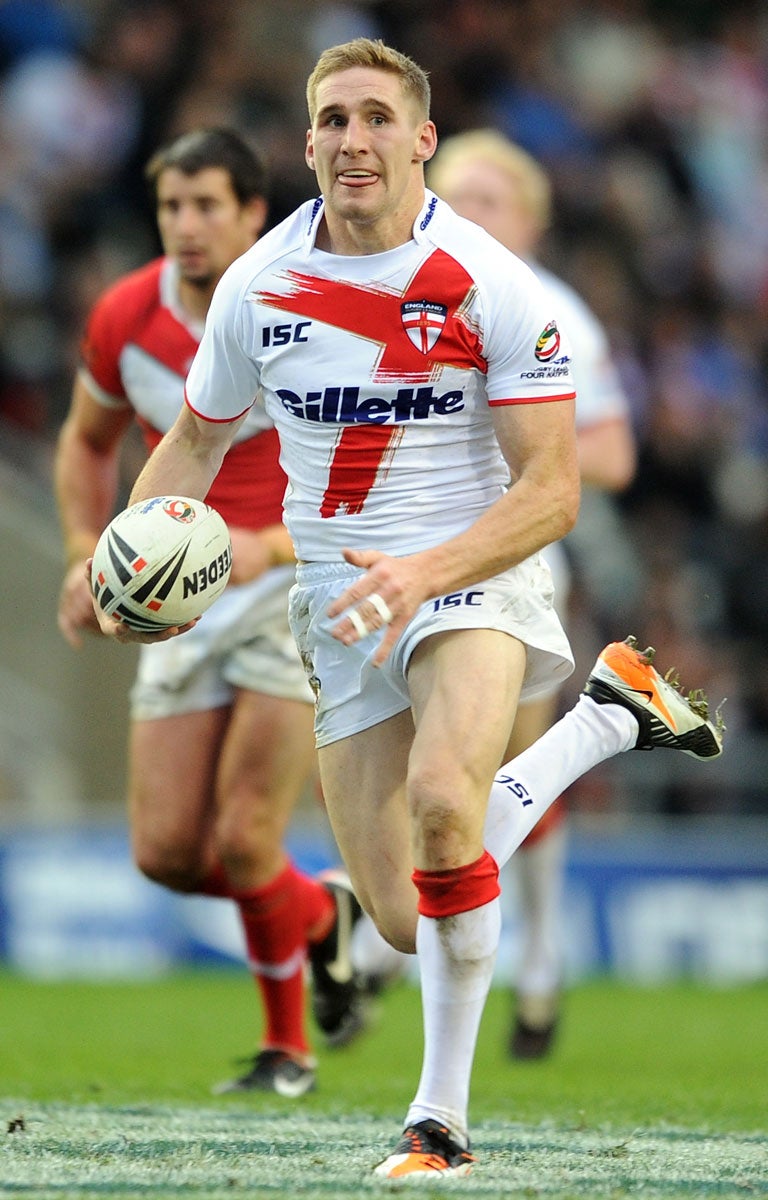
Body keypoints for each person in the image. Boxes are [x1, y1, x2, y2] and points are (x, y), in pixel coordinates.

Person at [89, 41, 723, 1180]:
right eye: (333, 120)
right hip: (336, 605)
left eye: (378, 118)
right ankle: (608, 718)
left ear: (420, 139)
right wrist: (135, 560)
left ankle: (439, 1122)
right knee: (396, 915)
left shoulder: (492, 283)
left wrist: (427, 572)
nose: (353, 140)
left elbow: (555, 489)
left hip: (471, 579)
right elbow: (191, 441)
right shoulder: (258, 285)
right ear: (308, 142)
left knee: (444, 805)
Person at [54, 126, 366, 1100]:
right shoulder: (124, 316)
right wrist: (85, 555)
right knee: (166, 854)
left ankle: (289, 1052)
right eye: (170, 209)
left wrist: (270, 548)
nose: (186, 228)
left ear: (249, 214)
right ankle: (324, 918)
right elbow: (84, 440)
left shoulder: (306, 307)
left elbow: (365, 455)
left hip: (288, 587)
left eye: (206, 207)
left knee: (241, 837)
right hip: (176, 598)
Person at [427, 129, 637, 1058]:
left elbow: (615, 452)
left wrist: (525, 442)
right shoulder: (408, 296)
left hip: (513, 561)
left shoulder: (554, 311)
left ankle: (536, 958)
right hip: (407, 552)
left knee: (500, 755)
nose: (471, 213)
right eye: (456, 195)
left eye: (491, 199)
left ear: (532, 221)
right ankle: (428, 936)